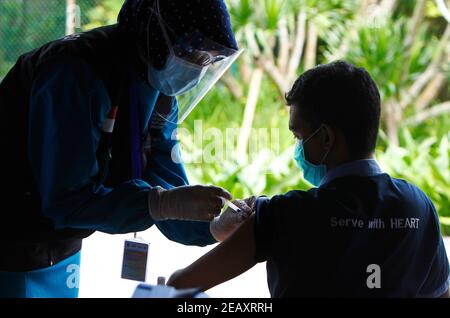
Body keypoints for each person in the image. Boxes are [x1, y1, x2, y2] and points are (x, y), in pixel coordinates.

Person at [0, 0, 250, 298]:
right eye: (192, 51)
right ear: (155, 31)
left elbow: (165, 178)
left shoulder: (158, 84)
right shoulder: (75, 71)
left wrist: (213, 227)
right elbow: (66, 200)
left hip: (59, 248)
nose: (197, 67)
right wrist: (160, 203)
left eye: (208, 59)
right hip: (11, 241)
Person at [167, 61, 450, 298]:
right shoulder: (419, 209)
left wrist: (232, 227)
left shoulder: (283, 216)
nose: (297, 148)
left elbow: (179, 287)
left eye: (299, 136)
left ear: (326, 138)